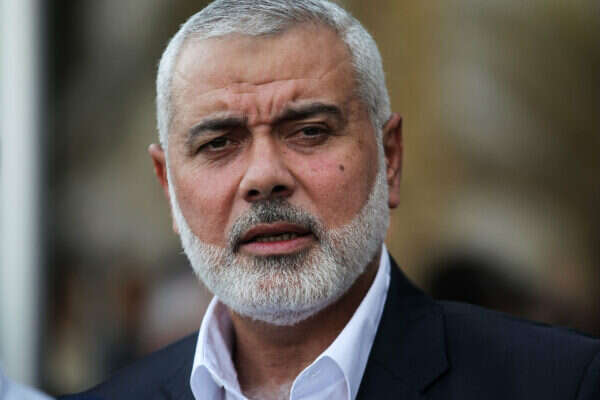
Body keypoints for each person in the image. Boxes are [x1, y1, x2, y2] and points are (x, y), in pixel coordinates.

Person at [60, 1, 600, 399]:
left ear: (390, 159)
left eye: (310, 132)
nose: (264, 177)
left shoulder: (556, 384)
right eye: (219, 143)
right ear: (168, 186)